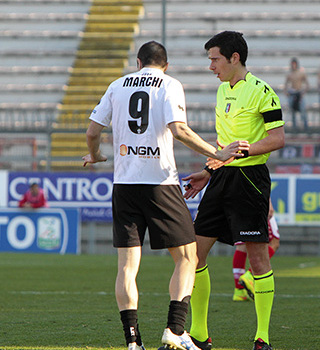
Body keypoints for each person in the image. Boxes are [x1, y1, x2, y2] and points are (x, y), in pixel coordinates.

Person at [82, 40, 248, 350]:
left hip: (125, 185)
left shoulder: (117, 85)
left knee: (127, 266)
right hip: (160, 182)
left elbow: (92, 131)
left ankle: (132, 341)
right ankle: (175, 329)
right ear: (166, 65)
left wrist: (96, 156)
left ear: (138, 62)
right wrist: (218, 152)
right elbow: (179, 129)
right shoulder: (169, 84)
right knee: (188, 256)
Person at [181, 31, 285, 350]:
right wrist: (205, 171)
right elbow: (221, 145)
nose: (211, 66)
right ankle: (200, 334)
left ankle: (262, 338)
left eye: (214, 59)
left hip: (250, 179)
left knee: (256, 258)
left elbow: (277, 138)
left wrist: (246, 151)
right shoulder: (221, 91)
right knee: (194, 253)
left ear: (234, 58)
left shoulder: (262, 92)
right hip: (221, 178)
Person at [233, 199, 280, 302]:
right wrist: (268, 203)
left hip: (237, 199)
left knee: (243, 243)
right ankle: (249, 275)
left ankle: (239, 291)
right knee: (274, 242)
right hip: (256, 199)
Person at [284, 57, 309, 131]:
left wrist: (303, 92)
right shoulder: (290, 74)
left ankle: (305, 127)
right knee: (293, 112)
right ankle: (294, 127)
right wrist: (286, 92)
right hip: (292, 93)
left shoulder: (301, 73)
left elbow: (307, 84)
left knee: (303, 111)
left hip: (299, 93)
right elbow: (286, 84)